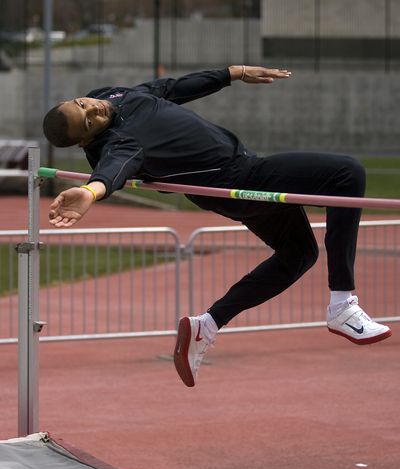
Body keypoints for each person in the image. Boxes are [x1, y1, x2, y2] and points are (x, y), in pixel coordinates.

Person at [43, 65, 391, 388]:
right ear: (86, 141)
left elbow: (171, 88)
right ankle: (342, 304)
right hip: (242, 180)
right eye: (88, 122)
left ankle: (206, 326)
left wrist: (233, 73)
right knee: (347, 173)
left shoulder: (115, 96)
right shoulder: (120, 143)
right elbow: (114, 169)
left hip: (241, 175)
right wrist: (91, 190)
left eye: (84, 104)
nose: (94, 110)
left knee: (298, 253)